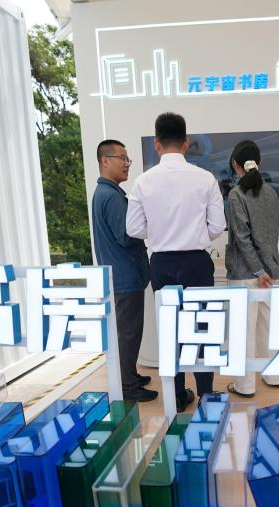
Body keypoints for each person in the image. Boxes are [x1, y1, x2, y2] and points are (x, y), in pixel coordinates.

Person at [126, 112, 225, 412]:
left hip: (162, 264)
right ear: (186, 143)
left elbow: (133, 228)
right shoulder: (205, 179)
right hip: (197, 262)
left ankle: (178, 397)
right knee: (202, 329)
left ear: (157, 143)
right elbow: (218, 226)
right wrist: (195, 235)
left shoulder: (143, 182)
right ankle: (206, 396)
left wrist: (159, 232)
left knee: (172, 332)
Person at [91, 139, 156, 402]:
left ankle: (129, 376)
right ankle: (128, 387)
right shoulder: (112, 197)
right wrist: (147, 219)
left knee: (127, 332)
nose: (127, 164)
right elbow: (127, 235)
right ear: (105, 161)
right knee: (128, 333)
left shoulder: (105, 193)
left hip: (120, 275)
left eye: (128, 158)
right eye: (122, 158)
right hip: (125, 276)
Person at [222, 140, 279, 398]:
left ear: (235, 165)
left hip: (245, 274)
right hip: (272, 271)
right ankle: (276, 376)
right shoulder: (271, 193)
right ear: (260, 163)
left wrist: (258, 271)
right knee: (270, 328)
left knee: (244, 331)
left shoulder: (236, 194)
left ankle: (245, 385)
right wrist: (266, 268)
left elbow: (241, 237)